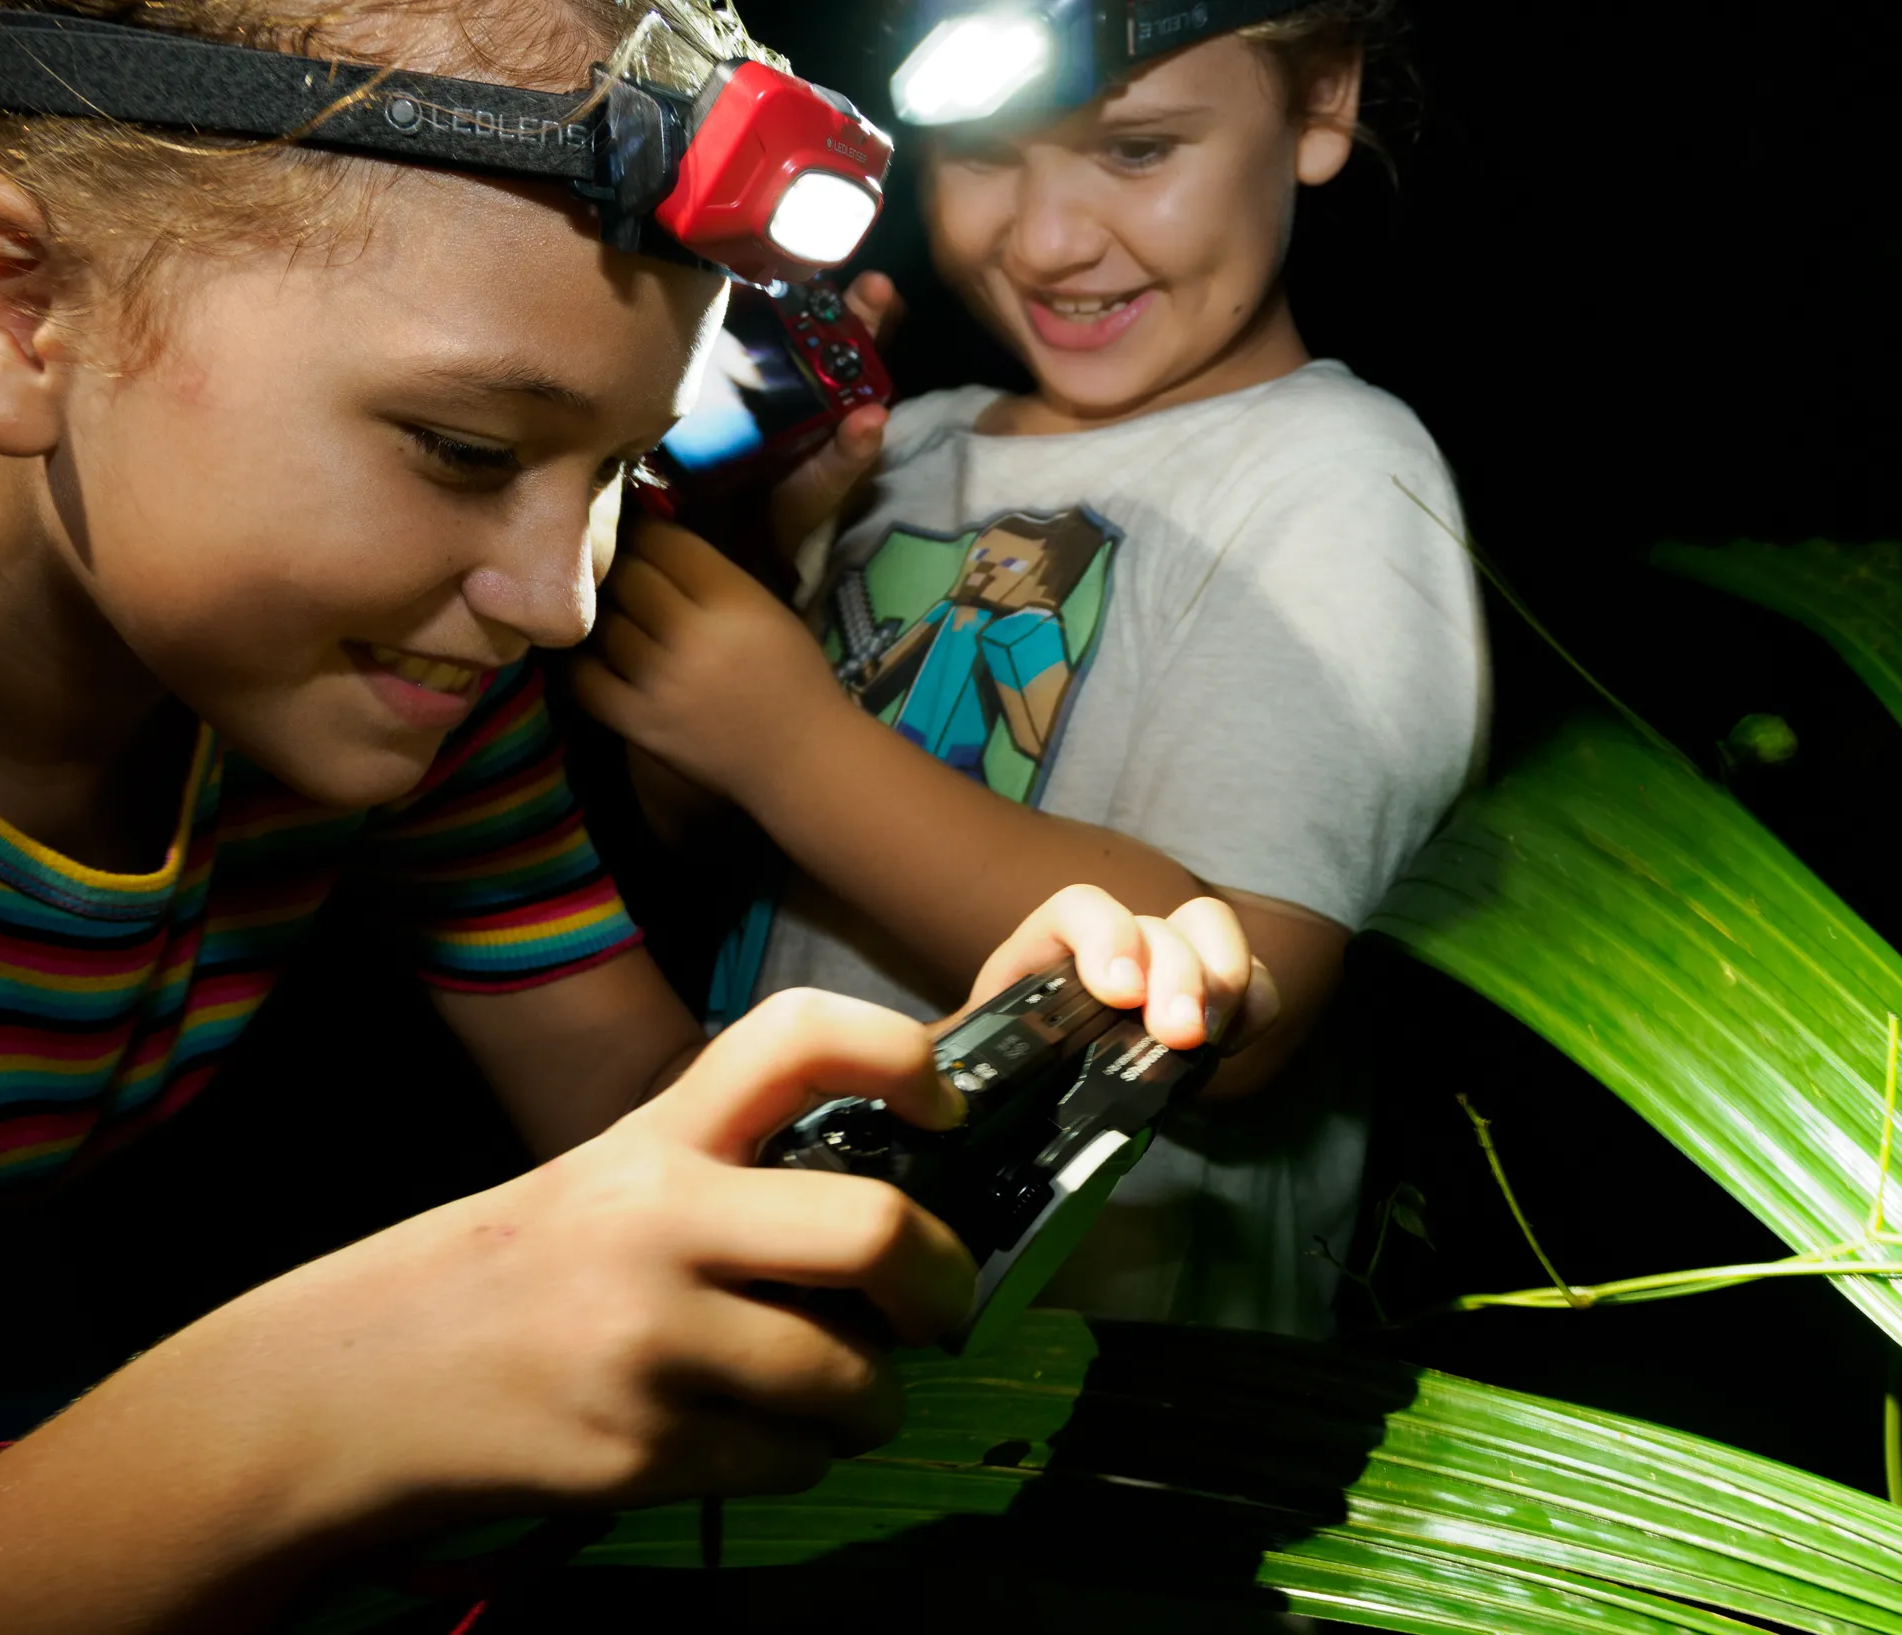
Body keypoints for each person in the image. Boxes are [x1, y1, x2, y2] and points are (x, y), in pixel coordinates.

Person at [0, 1, 1272, 1627]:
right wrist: (325, 1400)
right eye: (465, 449)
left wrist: (935, 1098)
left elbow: (632, 1120)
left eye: (621, 472)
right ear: (13, 310)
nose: (560, 596)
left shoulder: (390, 699)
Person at [578, 0, 1487, 1338]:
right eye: (984, 154)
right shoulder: (908, 445)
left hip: (1080, 1409)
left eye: (1135, 152)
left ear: (1321, 104)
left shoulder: (1334, 477)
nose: (1049, 238)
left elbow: (1247, 1014)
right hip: (770, 1313)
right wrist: (742, 566)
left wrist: (784, 735)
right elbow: (706, 829)